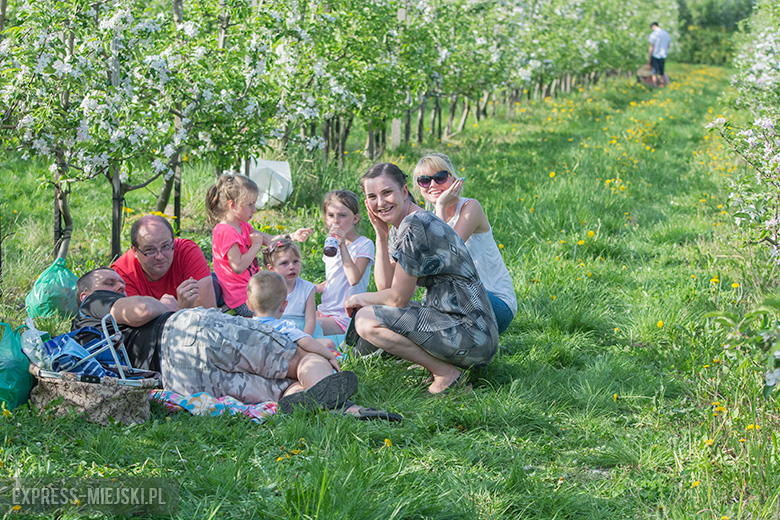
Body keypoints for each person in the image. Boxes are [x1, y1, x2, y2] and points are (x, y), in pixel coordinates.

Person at [73, 268, 359, 411]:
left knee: (282, 391)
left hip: (176, 379)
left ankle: (329, 411)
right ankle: (345, 408)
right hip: (188, 333)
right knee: (300, 359)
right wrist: (171, 306)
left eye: (121, 284)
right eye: (109, 284)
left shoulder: (79, 341)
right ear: (86, 295)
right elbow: (142, 310)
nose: (118, 288)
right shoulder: (93, 304)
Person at [346, 163, 498, 395]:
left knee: (366, 319)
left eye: (387, 193)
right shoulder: (402, 226)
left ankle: (446, 375)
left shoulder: (416, 226)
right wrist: (381, 236)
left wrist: (357, 297)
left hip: (472, 334)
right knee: (372, 310)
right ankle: (442, 368)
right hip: (464, 328)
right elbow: (385, 288)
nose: (380, 202)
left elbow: (397, 299)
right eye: (372, 197)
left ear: (404, 191)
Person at [246, 271, 399, 420]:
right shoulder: (284, 326)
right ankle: (341, 406)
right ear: (284, 305)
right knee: (307, 365)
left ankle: (298, 399)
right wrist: (328, 355)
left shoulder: (247, 327)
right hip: (288, 366)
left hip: (264, 378)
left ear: (249, 305)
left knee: (293, 386)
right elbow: (305, 340)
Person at [413, 153, 517, 334]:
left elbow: (444, 255)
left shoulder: (470, 208)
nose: (433, 185)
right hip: (456, 302)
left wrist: (441, 205)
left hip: (496, 305)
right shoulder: (425, 219)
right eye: (424, 180)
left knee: (444, 287)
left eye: (440, 177)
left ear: (454, 179)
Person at [206, 173, 310, 317]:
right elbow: (238, 267)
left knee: (284, 304)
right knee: (275, 312)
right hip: (240, 298)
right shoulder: (225, 231)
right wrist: (255, 246)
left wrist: (292, 236)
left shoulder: (242, 225)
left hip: (253, 289)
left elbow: (269, 239)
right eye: (250, 205)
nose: (254, 210)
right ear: (233, 205)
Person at [112, 214, 217, 309]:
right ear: (135, 250)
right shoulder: (121, 274)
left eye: (165, 246)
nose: (159, 256)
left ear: (173, 241)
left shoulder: (186, 251)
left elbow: (209, 310)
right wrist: (181, 309)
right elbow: (135, 327)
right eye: (150, 250)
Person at [263, 237, 318, 336]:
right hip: (277, 332)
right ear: (272, 268)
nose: (291, 267)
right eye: (284, 263)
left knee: (327, 344)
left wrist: (304, 339)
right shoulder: (268, 289)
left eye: (295, 261)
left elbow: (310, 321)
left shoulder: (307, 288)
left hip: (302, 332)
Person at [648, 22, 671, 87]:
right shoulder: (666, 34)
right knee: (662, 72)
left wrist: (649, 58)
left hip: (655, 55)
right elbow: (668, 45)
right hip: (663, 54)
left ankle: (655, 86)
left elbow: (651, 47)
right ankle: (665, 85)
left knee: (654, 72)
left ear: (653, 26)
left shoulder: (653, 34)